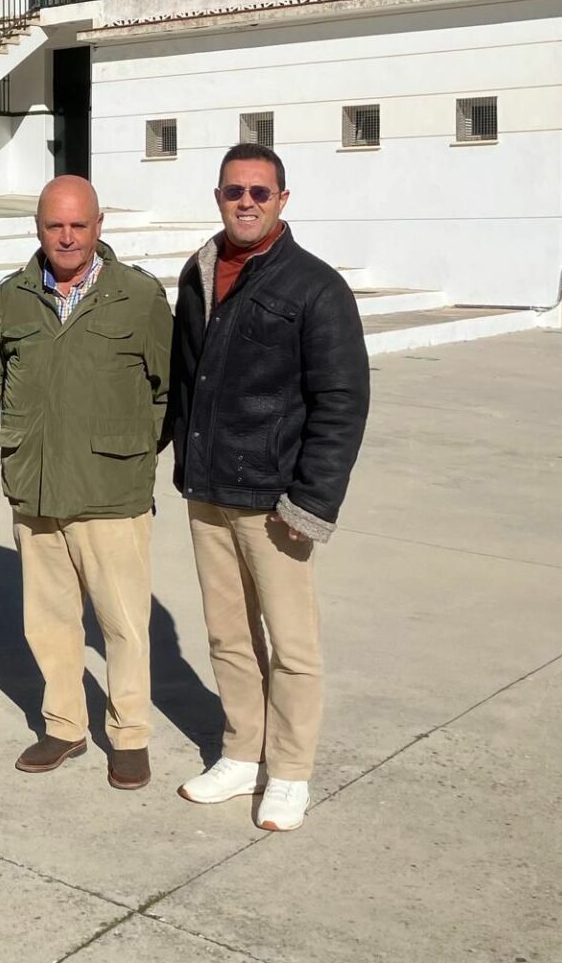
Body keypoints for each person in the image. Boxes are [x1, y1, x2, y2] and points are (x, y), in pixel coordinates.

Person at [167, 142, 369, 831]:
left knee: (292, 644)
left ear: (283, 199)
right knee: (228, 637)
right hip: (208, 490)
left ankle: (288, 770)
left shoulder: (314, 286)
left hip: (275, 502)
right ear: (218, 196)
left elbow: (341, 400)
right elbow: (186, 376)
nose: (245, 202)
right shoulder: (200, 273)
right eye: (234, 191)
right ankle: (242, 754)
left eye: (259, 191)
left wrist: (311, 501)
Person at [0, 175, 172, 791]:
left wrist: (128, 448)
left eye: (79, 225)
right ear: (37, 227)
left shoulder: (138, 296)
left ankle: (129, 734)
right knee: (48, 620)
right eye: (54, 225)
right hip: (36, 485)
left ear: (99, 226)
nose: (66, 237)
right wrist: (34, 437)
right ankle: (64, 725)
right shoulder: (11, 295)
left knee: (122, 623)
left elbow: (166, 390)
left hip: (110, 490)